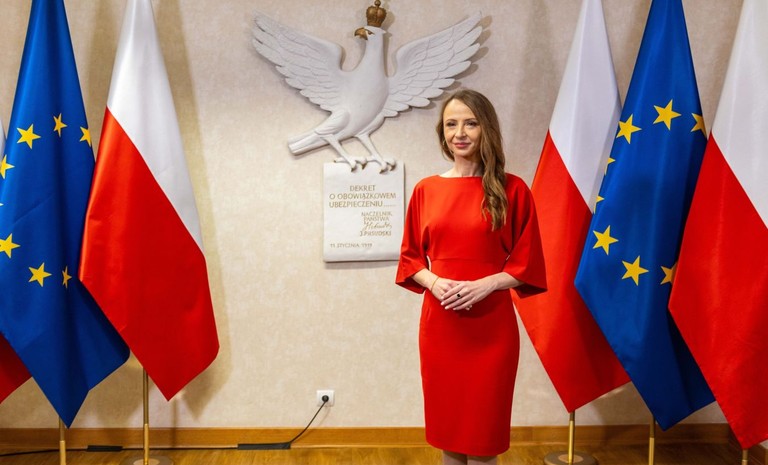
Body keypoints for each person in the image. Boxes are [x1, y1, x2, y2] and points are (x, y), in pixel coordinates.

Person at [396, 89, 547, 465]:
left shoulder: (513, 189)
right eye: (451, 124)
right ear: (442, 132)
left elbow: (529, 261)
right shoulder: (425, 190)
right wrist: (434, 282)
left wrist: (488, 283)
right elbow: (410, 259)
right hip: (441, 326)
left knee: (483, 439)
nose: (459, 133)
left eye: (470, 123)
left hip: (491, 329)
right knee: (448, 434)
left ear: (486, 129)